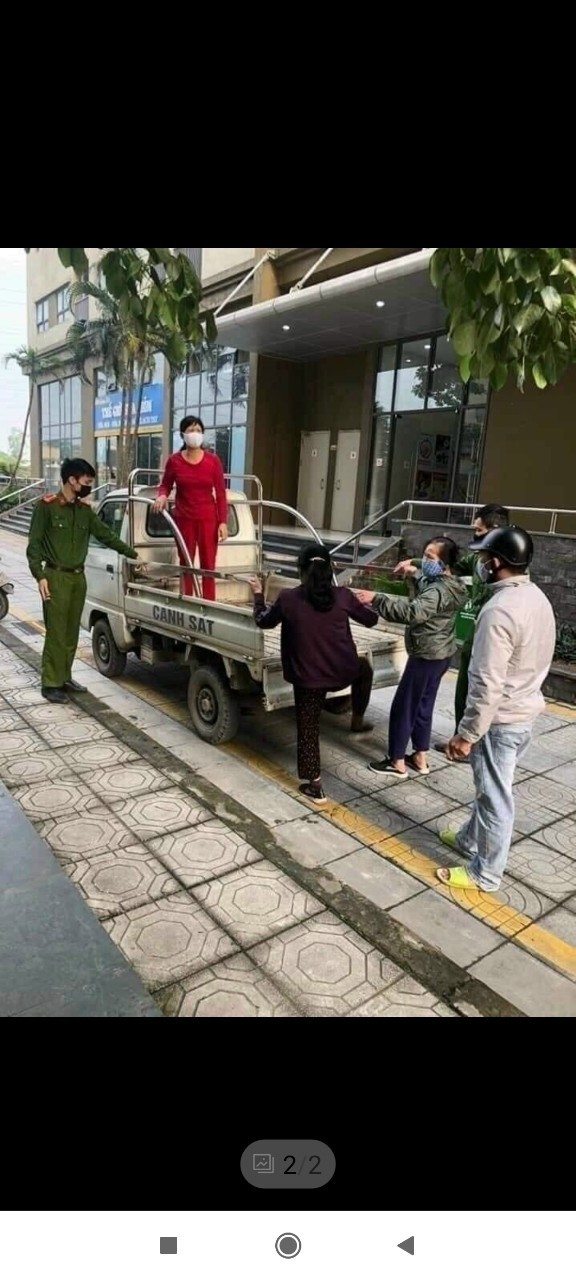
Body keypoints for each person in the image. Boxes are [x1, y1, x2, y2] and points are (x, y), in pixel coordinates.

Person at [437, 526, 555, 892]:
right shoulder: (536, 597)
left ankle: (484, 873)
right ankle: (469, 840)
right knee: (492, 787)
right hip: (524, 712)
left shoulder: (499, 610)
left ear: (497, 563)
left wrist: (467, 734)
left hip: (500, 721)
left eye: (484, 558)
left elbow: (487, 683)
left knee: (494, 797)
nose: (480, 564)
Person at [249, 544, 378, 806]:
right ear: (330, 569)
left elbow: (263, 621)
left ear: (301, 571)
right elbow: (371, 621)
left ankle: (315, 785)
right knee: (365, 667)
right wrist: (369, 600)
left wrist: (259, 595)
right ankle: (357, 718)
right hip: (343, 671)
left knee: (308, 727)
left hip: (308, 679)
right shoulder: (343, 596)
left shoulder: (288, 598)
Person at [396, 503, 511, 756]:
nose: (475, 534)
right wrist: (415, 562)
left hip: (498, 634)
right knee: (464, 687)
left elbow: (413, 611)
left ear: (494, 529)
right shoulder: (478, 560)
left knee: (487, 687)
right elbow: (449, 563)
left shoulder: (511, 563)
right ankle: (462, 741)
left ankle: (478, 743)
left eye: (478, 530)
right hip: (477, 632)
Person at [26, 458, 141, 704]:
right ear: (72, 480)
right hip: (55, 577)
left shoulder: (85, 512)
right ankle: (51, 684)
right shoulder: (46, 507)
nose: (89, 486)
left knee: (71, 633)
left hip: (78, 578)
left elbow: (107, 535)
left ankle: (64, 677)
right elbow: (34, 545)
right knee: (56, 633)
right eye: (86, 482)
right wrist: (40, 576)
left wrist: (133, 555)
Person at [355, 537, 467, 778]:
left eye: (430, 557)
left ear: (444, 563)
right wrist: (413, 569)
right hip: (440, 654)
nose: (424, 561)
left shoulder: (438, 590)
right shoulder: (451, 583)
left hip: (426, 656)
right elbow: (427, 583)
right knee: (422, 706)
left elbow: (413, 611)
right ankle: (420, 757)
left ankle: (396, 761)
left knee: (404, 706)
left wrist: (377, 599)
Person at [152, 416, 228, 600]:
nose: (195, 434)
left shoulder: (213, 461)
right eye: (191, 430)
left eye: (198, 430)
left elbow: (220, 493)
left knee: (208, 565)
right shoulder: (174, 461)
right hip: (184, 518)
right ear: (183, 434)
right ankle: (187, 601)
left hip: (208, 520)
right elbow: (166, 485)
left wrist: (223, 522)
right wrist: (162, 495)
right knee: (186, 563)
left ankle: (209, 603)